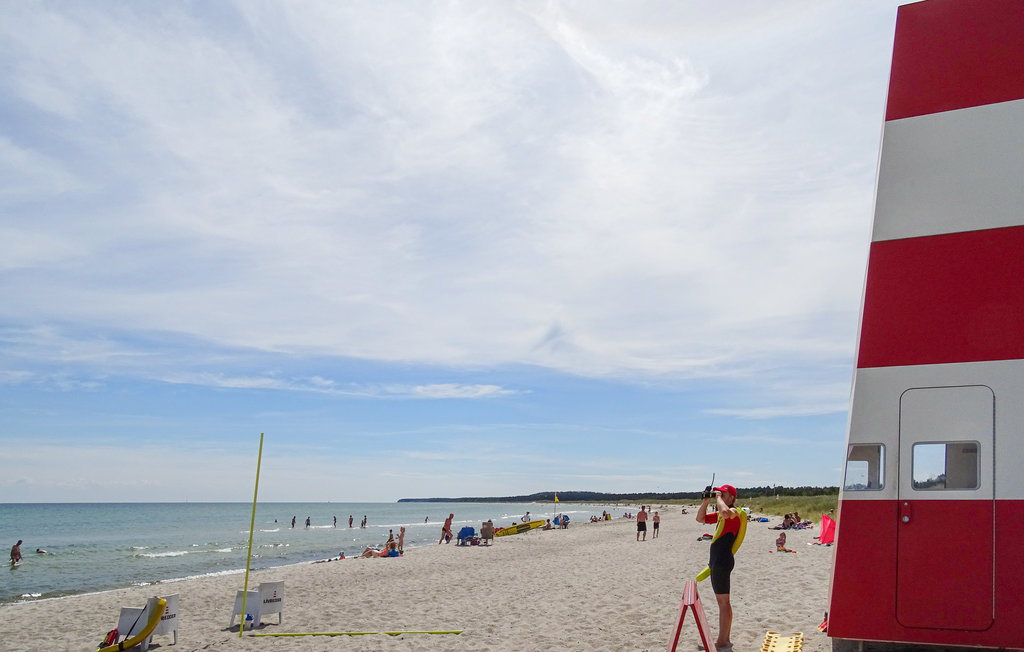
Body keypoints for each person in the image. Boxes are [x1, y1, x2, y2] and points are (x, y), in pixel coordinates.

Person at [697, 484, 742, 652]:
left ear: (732, 498)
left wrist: (717, 498)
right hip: (717, 562)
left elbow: (726, 512)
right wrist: (706, 501)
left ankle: (723, 641)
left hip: (722, 562)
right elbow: (700, 519)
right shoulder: (722, 515)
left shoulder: (735, 512)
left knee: (723, 603)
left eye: (723, 494)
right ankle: (724, 639)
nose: (720, 496)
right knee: (722, 602)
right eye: (720, 494)